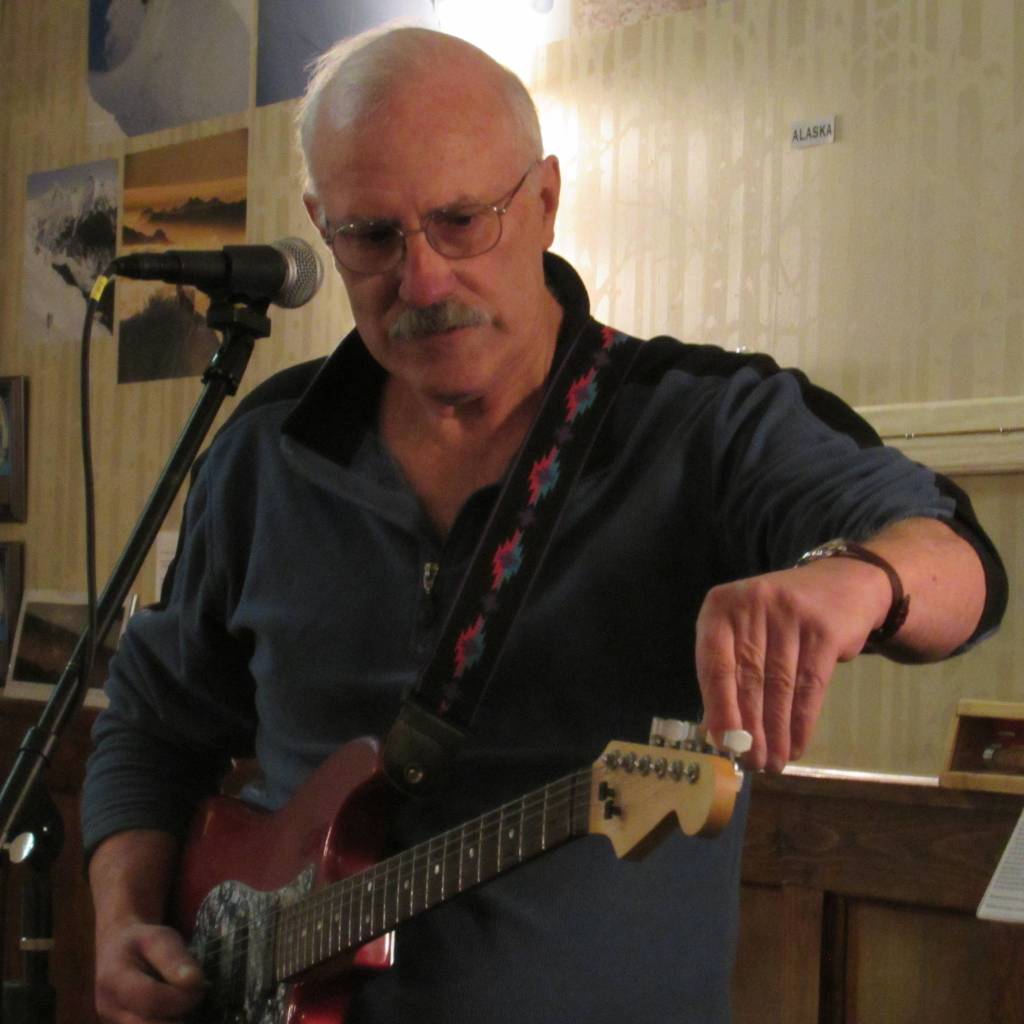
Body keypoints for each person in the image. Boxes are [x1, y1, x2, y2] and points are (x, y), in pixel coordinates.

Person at [82, 25, 1006, 1024]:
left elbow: (955, 557)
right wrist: (124, 914)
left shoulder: (703, 418)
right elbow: (153, 721)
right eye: (371, 236)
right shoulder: (264, 450)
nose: (424, 280)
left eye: (461, 220)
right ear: (319, 221)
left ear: (546, 201)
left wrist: (857, 576)